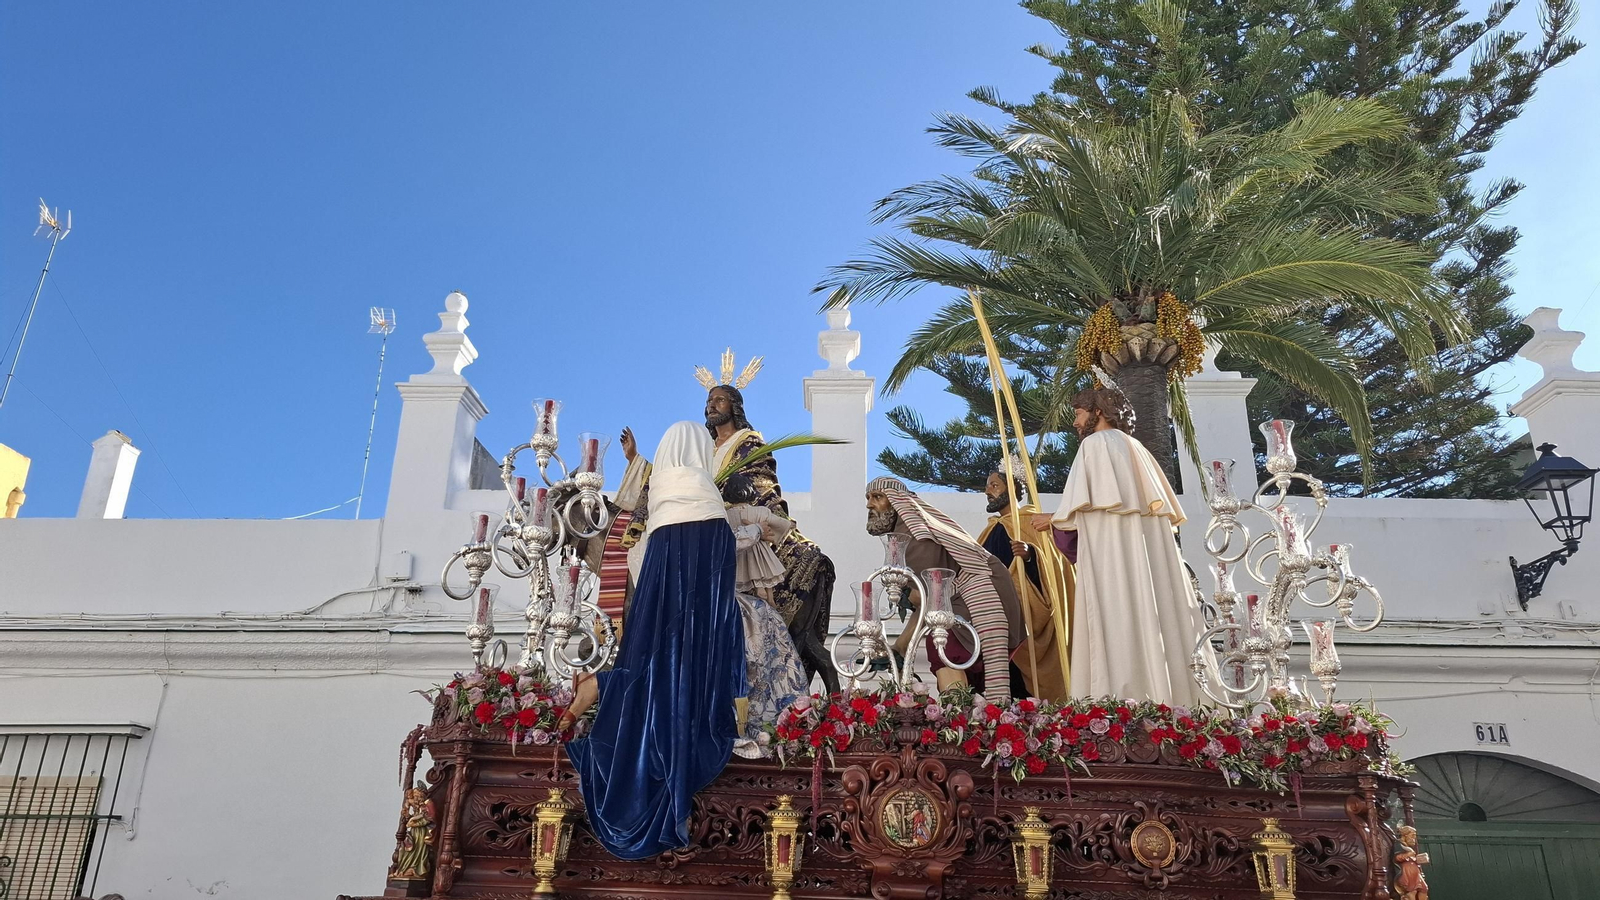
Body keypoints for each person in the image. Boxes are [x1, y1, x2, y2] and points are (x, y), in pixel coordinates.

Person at [563, 421, 746, 860]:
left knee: (650, 670)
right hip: (700, 629)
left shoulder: (661, 502)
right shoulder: (714, 511)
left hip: (656, 620)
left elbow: (645, 575)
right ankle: (608, 692)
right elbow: (721, 600)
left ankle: (603, 686)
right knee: (695, 690)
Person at [622, 373, 840, 695]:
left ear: (734, 406)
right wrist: (636, 461)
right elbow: (669, 475)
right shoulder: (701, 446)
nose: (711, 406)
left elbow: (762, 482)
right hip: (701, 525)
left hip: (736, 522)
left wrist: (762, 513)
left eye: (719, 400)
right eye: (709, 401)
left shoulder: (748, 442)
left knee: (800, 560)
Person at [1030, 385, 1217, 704]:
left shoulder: (1094, 446)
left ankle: (1121, 700)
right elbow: (1100, 506)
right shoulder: (1138, 450)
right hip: (1145, 566)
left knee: (1117, 619)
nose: (1075, 422)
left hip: (1112, 563)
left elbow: (1083, 512)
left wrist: (1052, 519)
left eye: (1079, 413)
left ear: (1097, 412)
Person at [865, 476, 1025, 702]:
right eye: (869, 498)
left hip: (982, 593)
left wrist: (900, 642)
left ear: (896, 501)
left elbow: (928, 596)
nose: (869, 504)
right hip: (966, 598)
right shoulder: (911, 529)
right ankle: (962, 715)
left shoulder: (915, 534)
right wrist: (899, 647)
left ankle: (956, 716)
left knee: (944, 645)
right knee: (944, 645)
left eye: (878, 497)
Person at [722, 474, 809, 758]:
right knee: (767, 604)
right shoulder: (758, 512)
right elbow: (785, 525)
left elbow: (723, 544)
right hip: (758, 565)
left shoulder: (722, 514)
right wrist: (765, 532)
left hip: (735, 575)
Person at [978, 468, 1072, 702]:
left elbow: (1057, 567)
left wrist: (1032, 556)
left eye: (994, 485)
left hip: (1026, 617)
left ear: (1014, 490)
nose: (988, 491)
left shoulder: (1032, 523)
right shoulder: (989, 531)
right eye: (988, 486)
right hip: (995, 619)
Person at [723, 474, 789, 605]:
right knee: (764, 569)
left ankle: (756, 595)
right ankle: (768, 595)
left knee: (745, 572)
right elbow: (780, 524)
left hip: (739, 553)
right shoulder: (761, 511)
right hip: (760, 550)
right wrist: (786, 528)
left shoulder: (726, 515)